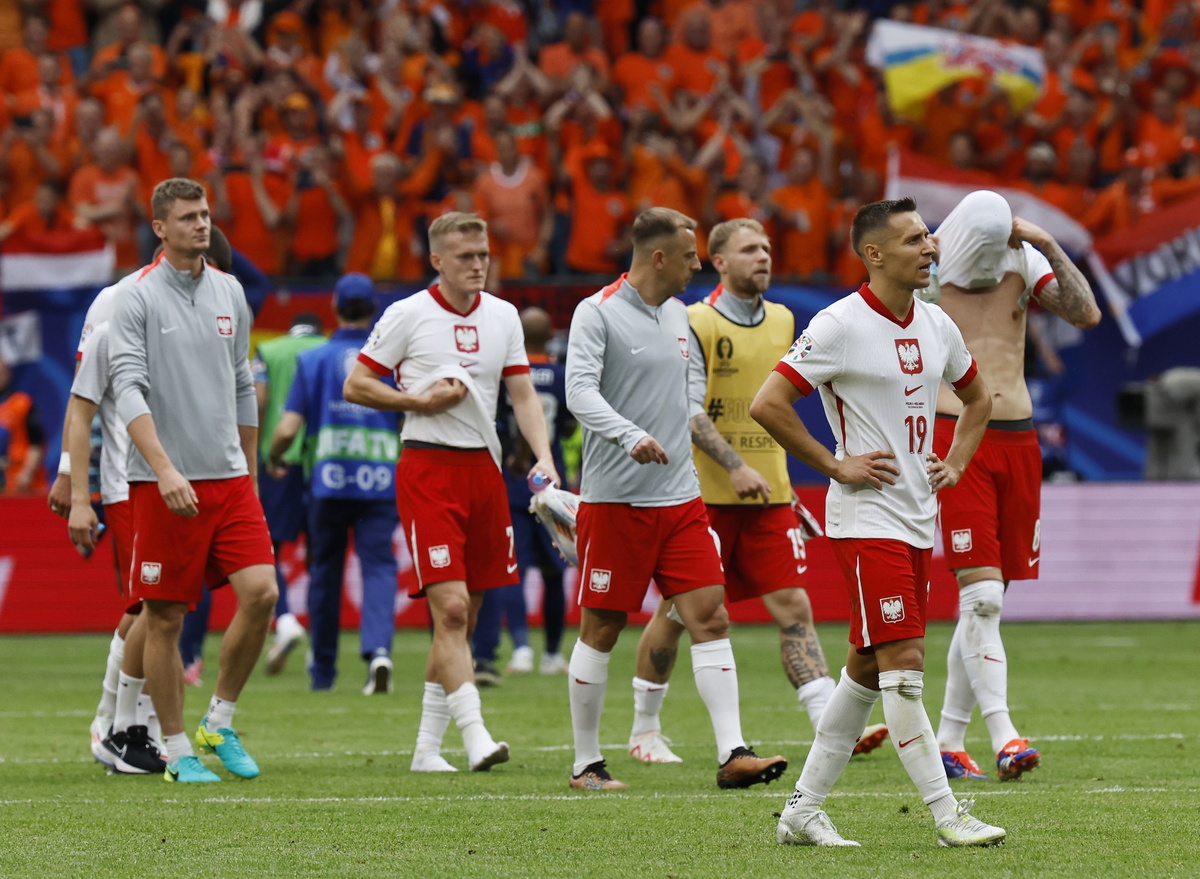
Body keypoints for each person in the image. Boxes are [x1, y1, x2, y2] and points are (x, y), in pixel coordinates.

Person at [754, 196, 1005, 847]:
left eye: (927, 236)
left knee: (867, 667)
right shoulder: (838, 324)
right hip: (867, 522)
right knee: (904, 662)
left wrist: (953, 462)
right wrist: (835, 464)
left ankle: (803, 811)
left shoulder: (936, 323)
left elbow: (979, 398)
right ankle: (948, 812)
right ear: (873, 253)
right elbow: (769, 402)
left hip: (917, 517)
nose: (929, 248)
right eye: (914, 239)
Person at [624, 217, 888, 765]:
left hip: (769, 495)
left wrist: (778, 480)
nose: (763, 256)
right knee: (677, 611)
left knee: (794, 605)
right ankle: (645, 729)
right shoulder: (693, 321)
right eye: (748, 249)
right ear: (718, 261)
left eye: (766, 248)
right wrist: (736, 466)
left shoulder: (786, 319)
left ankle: (827, 720)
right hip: (702, 494)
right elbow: (686, 408)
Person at [564, 207, 788, 791]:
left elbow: (689, 403)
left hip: (681, 499)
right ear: (659, 257)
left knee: (711, 616)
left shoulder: (677, 317)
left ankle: (733, 752)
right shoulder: (598, 312)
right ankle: (586, 764)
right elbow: (578, 393)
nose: (697, 263)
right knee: (604, 628)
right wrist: (629, 433)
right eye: (690, 255)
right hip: (615, 500)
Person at [343, 211, 558, 773]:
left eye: (484, 254)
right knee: (454, 608)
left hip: (486, 473)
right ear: (437, 261)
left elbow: (522, 395)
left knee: (467, 611)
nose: (479, 265)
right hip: (429, 467)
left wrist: (544, 458)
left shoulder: (504, 316)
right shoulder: (408, 314)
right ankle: (476, 735)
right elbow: (358, 383)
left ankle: (424, 750)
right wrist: (416, 402)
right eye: (466, 256)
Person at [927, 190, 1102, 782]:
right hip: (958, 438)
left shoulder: (1025, 261)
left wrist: (1049, 243)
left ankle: (949, 741)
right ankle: (1004, 733)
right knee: (983, 598)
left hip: (1020, 440)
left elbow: (1085, 314)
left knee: (985, 604)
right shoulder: (926, 268)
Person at [108, 177, 277, 783]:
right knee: (166, 617)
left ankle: (220, 720)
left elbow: (241, 386)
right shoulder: (134, 297)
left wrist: (250, 472)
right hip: (161, 483)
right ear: (160, 227)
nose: (201, 225)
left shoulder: (231, 291)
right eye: (187, 218)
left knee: (262, 592)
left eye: (205, 215)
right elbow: (126, 388)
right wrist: (163, 469)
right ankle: (176, 750)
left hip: (229, 478)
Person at [49, 226, 236, 761]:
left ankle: (131, 725)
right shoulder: (117, 300)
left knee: (165, 607)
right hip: (132, 479)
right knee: (150, 607)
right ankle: (117, 725)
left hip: (197, 477)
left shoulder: (217, 308)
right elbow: (85, 396)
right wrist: (72, 477)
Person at [267, 273, 400, 694]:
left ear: (336, 309)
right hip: (380, 478)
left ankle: (323, 671)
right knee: (378, 566)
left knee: (325, 572)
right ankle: (378, 651)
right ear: (372, 310)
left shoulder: (314, 361)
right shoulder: (389, 362)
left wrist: (274, 457)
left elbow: (288, 428)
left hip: (326, 481)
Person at [472, 307, 573, 682]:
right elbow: (566, 427)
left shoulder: (506, 376)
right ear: (550, 336)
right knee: (554, 572)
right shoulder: (562, 375)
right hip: (551, 478)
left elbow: (497, 421)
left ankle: (521, 649)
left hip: (512, 479)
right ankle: (551, 653)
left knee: (514, 568)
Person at [253, 312, 327, 675]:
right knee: (321, 556)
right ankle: (319, 646)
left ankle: (284, 621)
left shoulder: (268, 351)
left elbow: (258, 403)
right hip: (323, 463)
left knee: (268, 549)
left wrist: (255, 456)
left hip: (277, 462)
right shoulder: (332, 351)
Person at [0, 356, 46, 495]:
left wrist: (27, 473)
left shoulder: (22, 403)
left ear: (8, 374)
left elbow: (37, 443)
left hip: (24, 484)